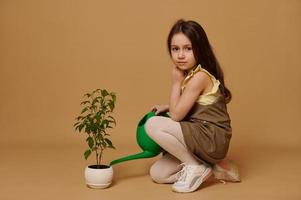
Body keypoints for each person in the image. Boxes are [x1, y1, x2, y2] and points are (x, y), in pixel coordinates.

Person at [145, 19, 232, 193]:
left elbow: (177, 116)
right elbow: (189, 107)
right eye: (175, 49)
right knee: (158, 174)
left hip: (211, 138)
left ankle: (195, 167)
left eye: (188, 48)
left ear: (200, 49)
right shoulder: (191, 75)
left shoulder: (200, 77)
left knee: (152, 124)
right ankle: (208, 169)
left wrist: (176, 83)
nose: (180, 55)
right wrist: (168, 106)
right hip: (199, 136)